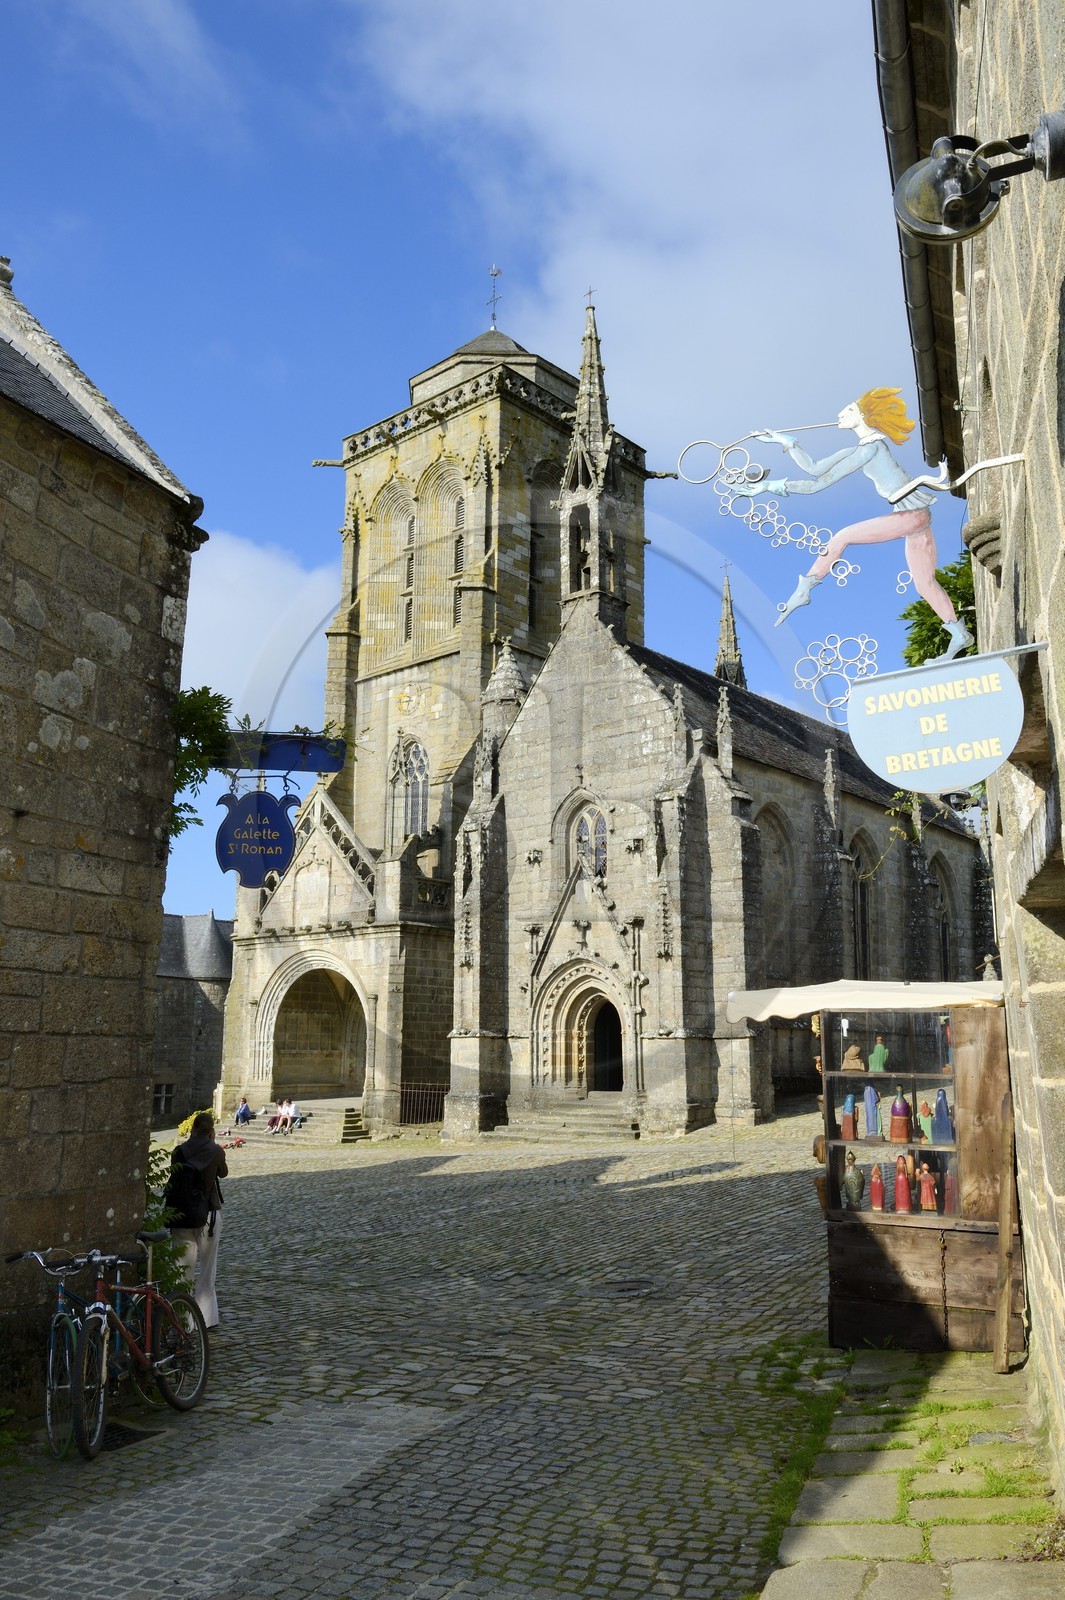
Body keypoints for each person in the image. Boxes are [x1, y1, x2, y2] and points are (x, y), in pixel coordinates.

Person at [736, 388, 974, 663]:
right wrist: (789, 444)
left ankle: (805, 589)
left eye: (848, 410)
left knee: (843, 536)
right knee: (924, 584)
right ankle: (959, 633)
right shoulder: (861, 449)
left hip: (913, 516)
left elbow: (818, 485)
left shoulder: (870, 449)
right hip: (917, 519)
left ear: (862, 417)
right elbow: (814, 469)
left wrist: (769, 485)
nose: (840, 414)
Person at [169, 1112, 227, 1331]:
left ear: (192, 1129)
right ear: (211, 1131)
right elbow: (223, 1173)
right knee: (207, 1270)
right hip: (208, 1214)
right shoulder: (215, 1151)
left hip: (182, 1214)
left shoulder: (179, 1151)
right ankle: (206, 1318)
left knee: (181, 1270)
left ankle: (184, 1321)